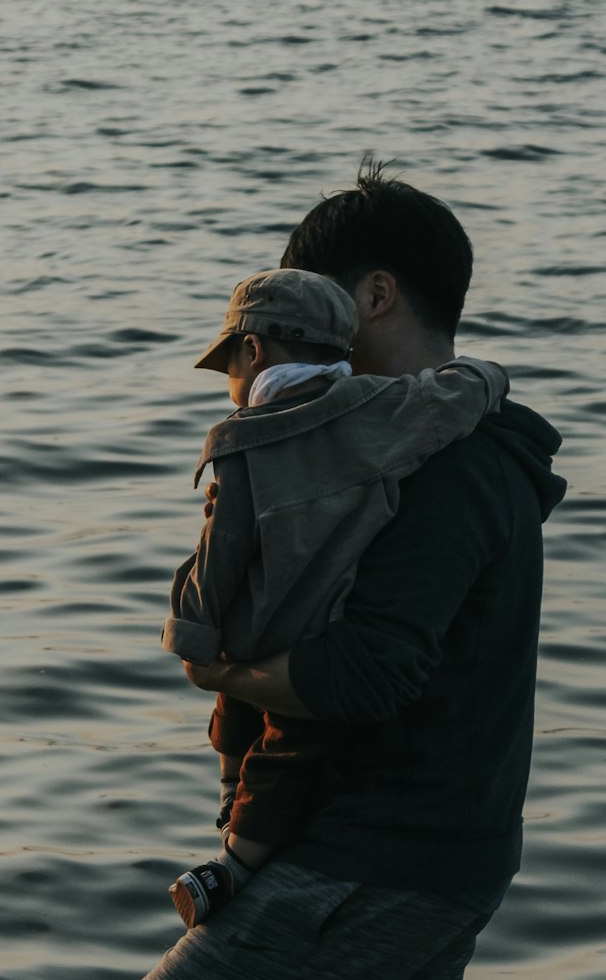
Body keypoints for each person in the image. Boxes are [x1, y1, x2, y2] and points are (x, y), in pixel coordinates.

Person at [142, 159, 567, 980]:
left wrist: (220, 667)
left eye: (324, 306)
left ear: (375, 297)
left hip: (384, 861)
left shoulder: (454, 465)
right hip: (396, 854)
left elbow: (369, 672)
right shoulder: (377, 455)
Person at [161, 266, 508, 926]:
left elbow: (219, 557)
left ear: (254, 351)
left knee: (242, 713)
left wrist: (195, 640)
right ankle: (240, 850)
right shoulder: (385, 411)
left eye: (229, 361)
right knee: (292, 745)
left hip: (257, 630)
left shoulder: (241, 440)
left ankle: (230, 854)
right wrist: (493, 377)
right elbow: (465, 391)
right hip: (329, 617)